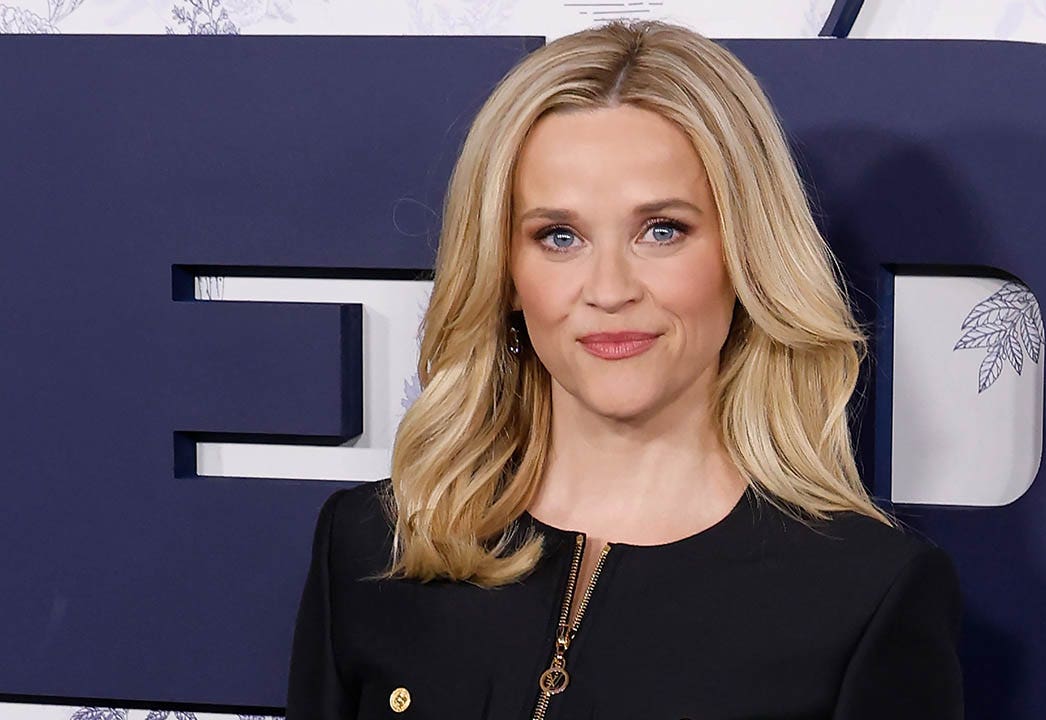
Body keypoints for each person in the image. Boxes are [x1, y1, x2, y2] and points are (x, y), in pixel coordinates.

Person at [286, 18, 963, 719]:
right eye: (559, 236)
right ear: (507, 272)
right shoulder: (377, 544)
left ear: (745, 255)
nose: (609, 290)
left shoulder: (864, 597)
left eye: (661, 231)